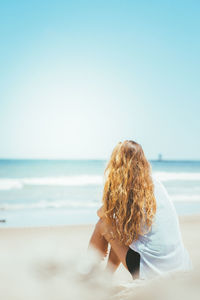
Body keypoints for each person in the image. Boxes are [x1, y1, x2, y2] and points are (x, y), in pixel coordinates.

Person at [88, 140, 192, 280]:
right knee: (118, 228)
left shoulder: (126, 190)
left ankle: (88, 270)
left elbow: (101, 214)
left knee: (103, 224)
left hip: (152, 272)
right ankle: (105, 276)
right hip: (180, 266)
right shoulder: (155, 183)